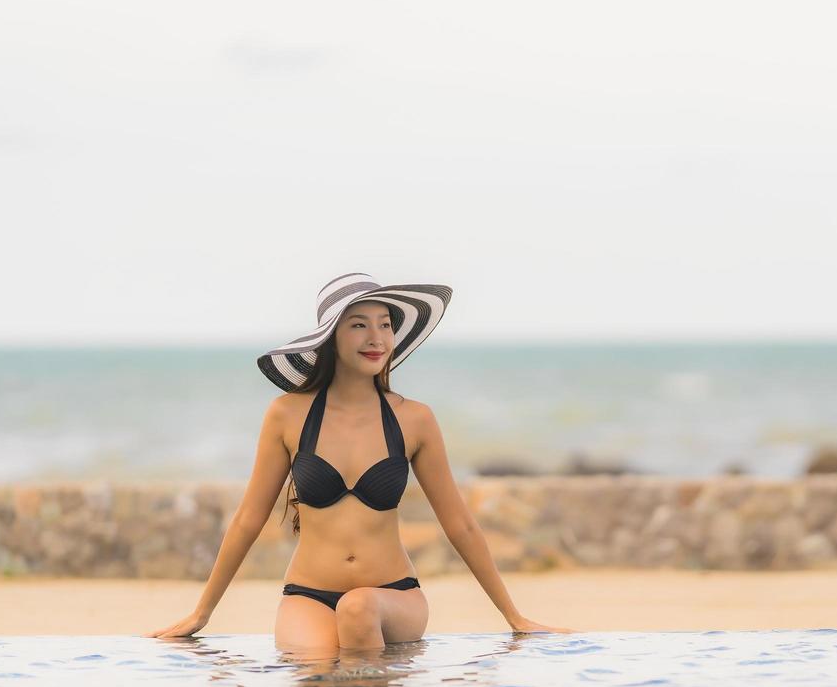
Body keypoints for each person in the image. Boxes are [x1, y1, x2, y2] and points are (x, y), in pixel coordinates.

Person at [144, 272, 573, 650]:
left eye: (385, 326)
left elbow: (459, 523)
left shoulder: (413, 419)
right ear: (331, 336)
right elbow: (248, 519)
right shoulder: (287, 415)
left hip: (393, 597)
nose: (377, 338)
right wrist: (202, 614)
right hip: (307, 596)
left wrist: (513, 617)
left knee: (358, 608)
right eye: (359, 325)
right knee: (316, 674)